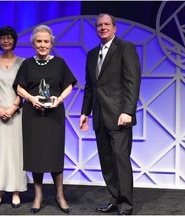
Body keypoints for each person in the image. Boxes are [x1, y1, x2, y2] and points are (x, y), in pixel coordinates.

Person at [79, 13, 141, 215]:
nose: (103, 27)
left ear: (115, 28)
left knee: (120, 160)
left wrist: (128, 111)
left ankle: (126, 204)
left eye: (107, 24)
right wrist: (84, 113)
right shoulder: (91, 54)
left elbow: (132, 82)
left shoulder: (125, 48)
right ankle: (114, 198)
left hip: (119, 116)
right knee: (106, 161)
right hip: (99, 116)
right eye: (99, 25)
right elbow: (90, 88)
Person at [13, 24, 77, 214]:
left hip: (54, 115)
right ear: (33, 44)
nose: (42, 45)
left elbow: (70, 84)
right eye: (39, 41)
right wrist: (31, 99)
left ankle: (59, 194)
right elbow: (18, 87)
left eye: (46, 41)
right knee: (36, 155)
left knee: (55, 154)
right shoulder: (27, 64)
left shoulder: (59, 63)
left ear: (51, 44)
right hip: (33, 116)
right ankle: (38, 195)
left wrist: (60, 99)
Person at [0, 26, 27, 208]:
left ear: (14, 40)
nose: (6, 41)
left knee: (15, 152)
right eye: (3, 37)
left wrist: (13, 107)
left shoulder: (23, 62)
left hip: (16, 112)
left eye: (9, 37)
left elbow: (23, 88)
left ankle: (16, 190)